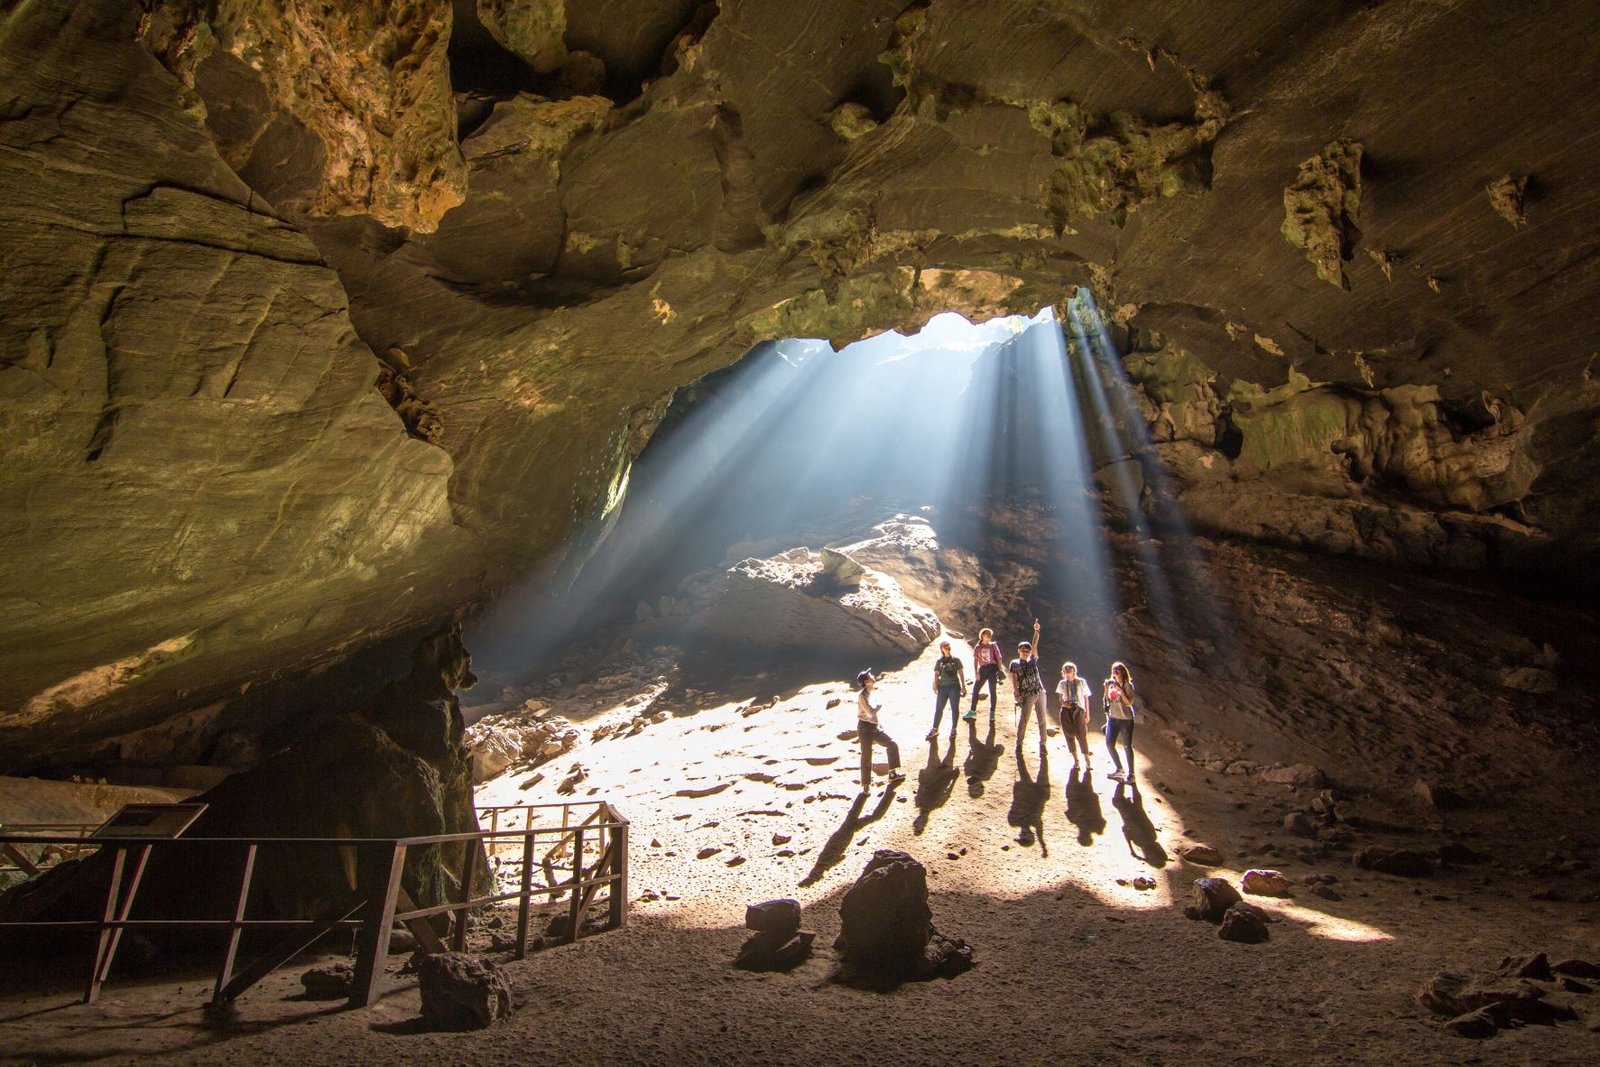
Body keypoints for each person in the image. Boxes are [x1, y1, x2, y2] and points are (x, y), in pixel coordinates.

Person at [855, 669, 905, 792]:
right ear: (866, 682)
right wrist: (879, 706)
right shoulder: (862, 696)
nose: (873, 676)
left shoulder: (870, 693)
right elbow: (870, 712)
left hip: (874, 727)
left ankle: (892, 774)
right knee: (866, 755)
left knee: (892, 745)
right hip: (865, 729)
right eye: (870, 676)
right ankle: (866, 785)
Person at [1009, 620, 1048, 748]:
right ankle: (1019, 743)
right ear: (1019, 651)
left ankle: (1043, 743)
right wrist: (1016, 693)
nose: (1025, 651)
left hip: (1039, 692)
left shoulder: (1033, 660)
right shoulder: (1014, 663)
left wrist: (1036, 631)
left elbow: (1035, 645)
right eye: (1023, 649)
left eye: (1027, 650)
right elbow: (1014, 679)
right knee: (1024, 719)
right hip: (1027, 694)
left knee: (1042, 719)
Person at [1102, 660, 1137, 782]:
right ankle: (1119, 769)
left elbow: (1129, 702)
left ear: (1122, 672)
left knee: (1127, 746)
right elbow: (1107, 701)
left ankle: (1131, 774)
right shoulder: (1111, 684)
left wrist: (1120, 690)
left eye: (1117, 669)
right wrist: (1106, 688)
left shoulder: (1128, 685)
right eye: (1113, 669)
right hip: (1113, 718)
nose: (1115, 671)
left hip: (1126, 719)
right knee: (1109, 743)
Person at [927, 640, 967, 740]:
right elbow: (936, 674)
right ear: (942, 649)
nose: (947, 648)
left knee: (954, 708)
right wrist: (935, 684)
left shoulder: (956, 660)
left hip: (954, 686)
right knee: (939, 708)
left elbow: (961, 672)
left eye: (948, 646)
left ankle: (954, 728)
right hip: (943, 687)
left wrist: (963, 685)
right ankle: (935, 729)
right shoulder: (939, 662)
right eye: (944, 647)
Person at [964, 627, 1003, 723]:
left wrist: (999, 670)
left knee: (992, 691)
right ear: (982, 636)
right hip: (982, 669)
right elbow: (976, 660)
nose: (989, 635)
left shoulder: (993, 646)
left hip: (992, 669)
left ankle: (992, 712)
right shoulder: (978, 647)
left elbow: (999, 658)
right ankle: (973, 711)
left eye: (990, 634)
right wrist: (976, 672)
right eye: (987, 634)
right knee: (976, 689)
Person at [1055, 660, 1091, 765]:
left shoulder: (1081, 682)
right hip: (1066, 710)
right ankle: (1076, 760)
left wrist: (1087, 713)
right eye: (1065, 668)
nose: (1068, 669)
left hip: (1079, 709)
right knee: (1068, 734)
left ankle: (1087, 759)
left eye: (1070, 667)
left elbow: (1086, 697)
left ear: (1074, 670)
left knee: (1081, 734)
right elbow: (1060, 698)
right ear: (1063, 671)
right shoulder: (1062, 683)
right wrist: (1064, 704)